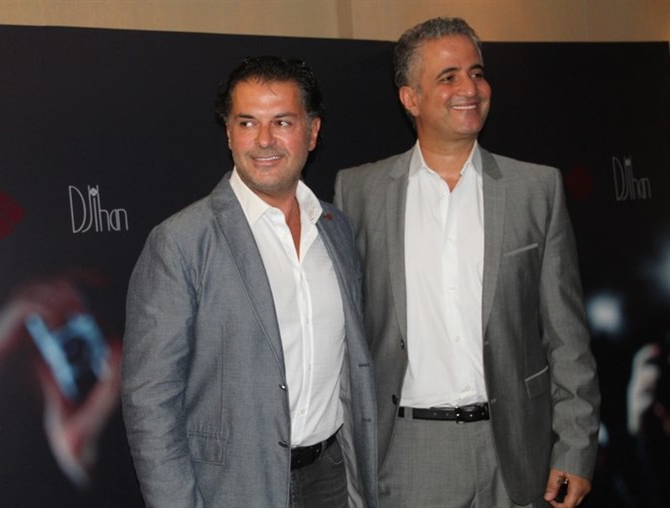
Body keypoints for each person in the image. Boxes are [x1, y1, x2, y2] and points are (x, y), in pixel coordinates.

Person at [334, 17, 600, 508]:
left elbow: (567, 338)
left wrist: (577, 447)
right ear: (410, 98)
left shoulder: (536, 189)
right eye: (448, 76)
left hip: (516, 453)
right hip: (408, 456)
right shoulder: (358, 192)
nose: (470, 88)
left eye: (477, 73)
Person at [122, 56, 377, 507]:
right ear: (228, 133)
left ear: (312, 132)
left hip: (332, 479)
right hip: (232, 489)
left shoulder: (335, 228)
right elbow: (150, 400)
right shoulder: (182, 241)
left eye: (282, 122)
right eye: (247, 123)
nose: (264, 140)